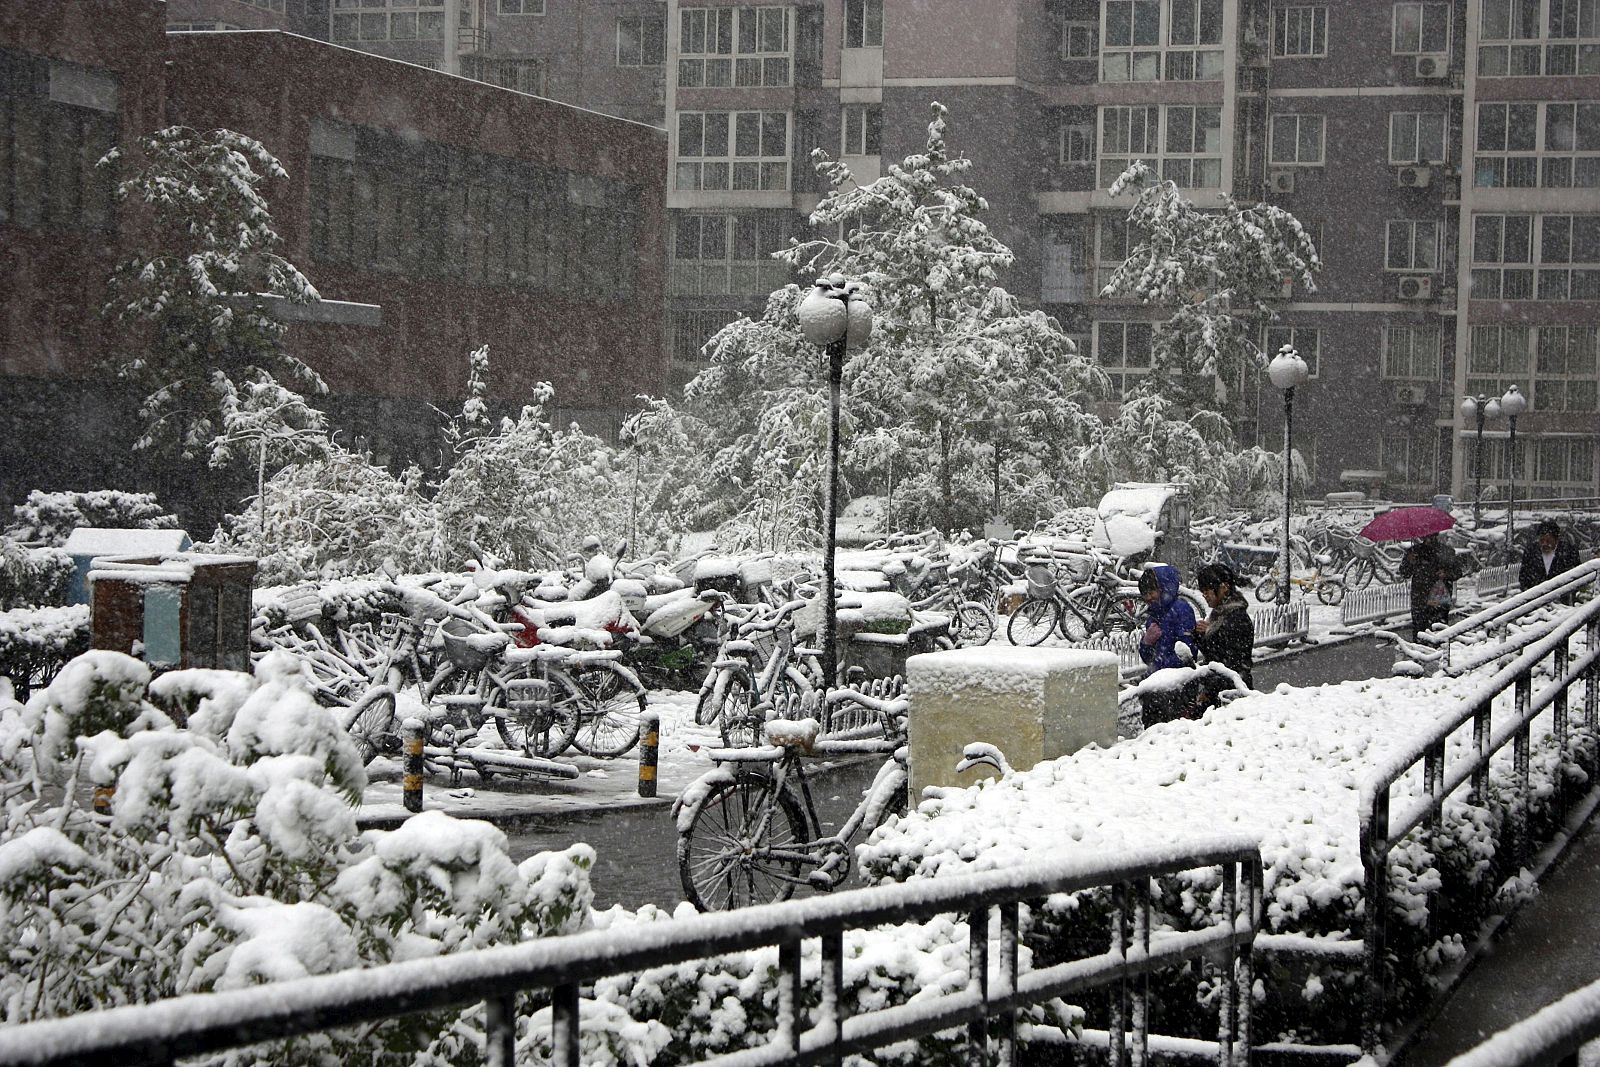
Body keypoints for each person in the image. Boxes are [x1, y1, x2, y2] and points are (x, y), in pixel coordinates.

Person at [1136, 563, 1197, 727]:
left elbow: (1186, 652)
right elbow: (1148, 657)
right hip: (1156, 687)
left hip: (1177, 687)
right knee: (1153, 728)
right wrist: (1146, 642)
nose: (1148, 598)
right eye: (1145, 594)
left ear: (1165, 587)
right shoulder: (1154, 615)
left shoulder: (1181, 610)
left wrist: (1162, 672)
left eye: (1152, 592)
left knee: (1172, 730)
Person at [1192, 562, 1255, 715]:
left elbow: (1230, 659)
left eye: (1208, 591)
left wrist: (1206, 634)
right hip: (1221, 685)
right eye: (1203, 592)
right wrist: (1201, 635)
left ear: (1224, 588)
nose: (1205, 596)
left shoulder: (1236, 618)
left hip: (1231, 690)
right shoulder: (1219, 614)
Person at [1398, 532, 1463, 636]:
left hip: (1438, 598)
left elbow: (1458, 572)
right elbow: (1404, 573)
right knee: (1421, 631)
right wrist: (1409, 561)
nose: (1428, 539)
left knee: (1438, 631)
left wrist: (1445, 574)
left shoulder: (1446, 551)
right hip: (1420, 599)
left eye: (1431, 536)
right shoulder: (1414, 552)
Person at [1518, 519, 1580, 593]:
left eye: (1548, 541)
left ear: (1556, 540)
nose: (1544, 544)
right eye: (1542, 540)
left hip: (1561, 597)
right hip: (1536, 597)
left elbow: (1577, 575)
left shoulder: (1569, 551)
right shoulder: (1531, 552)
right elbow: (1523, 577)